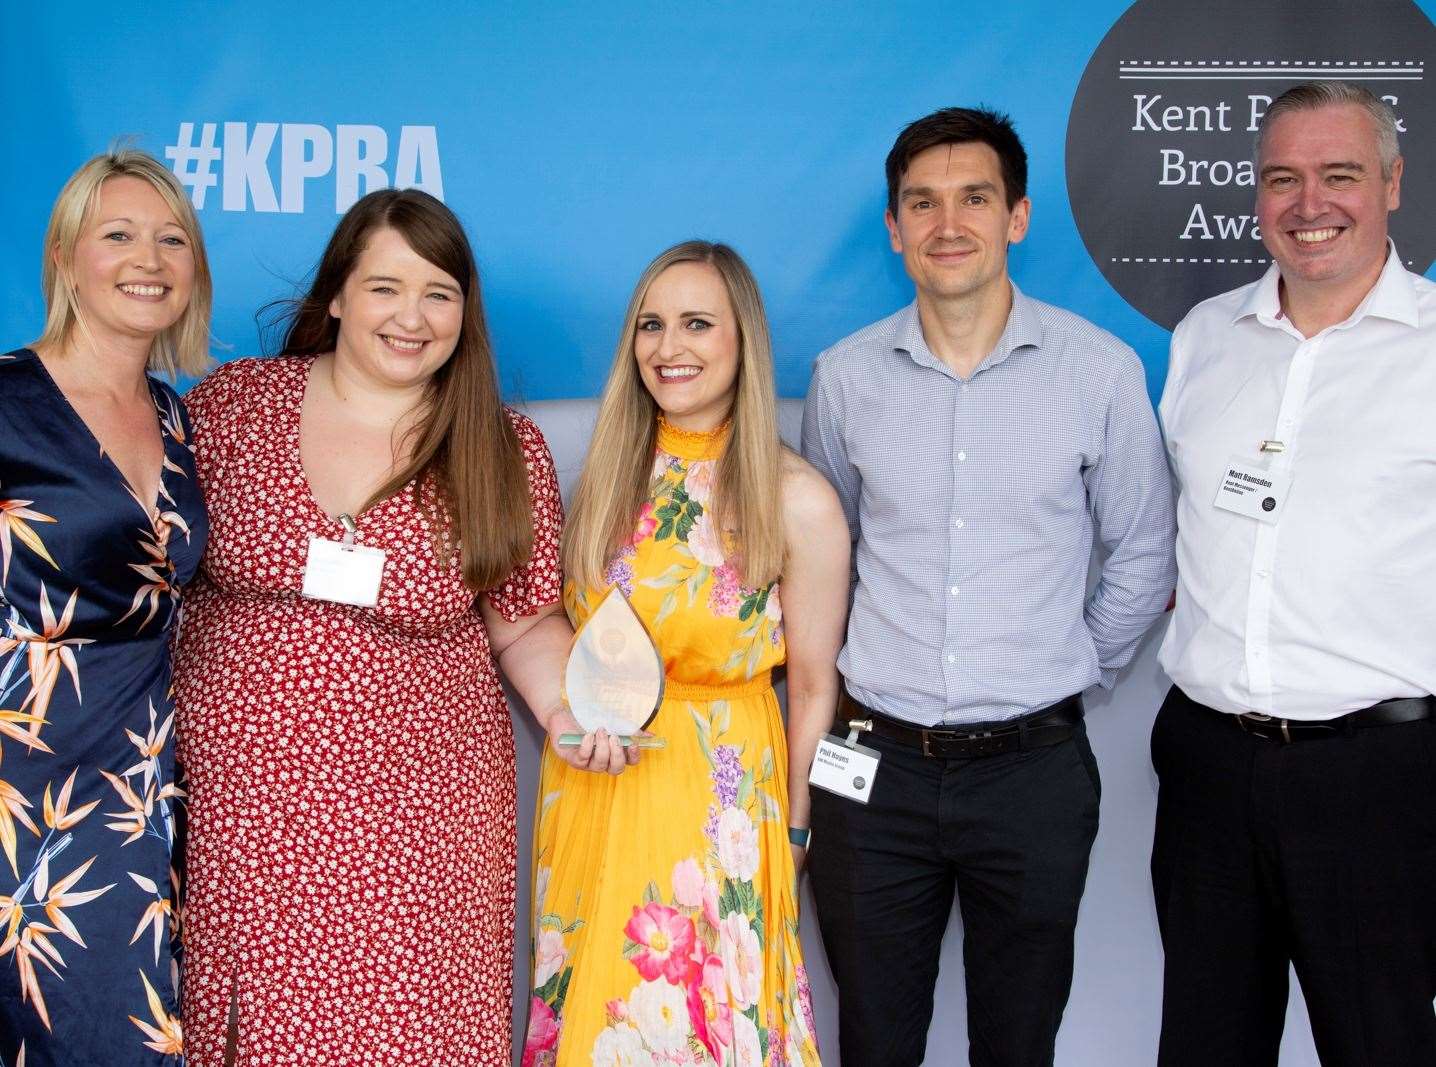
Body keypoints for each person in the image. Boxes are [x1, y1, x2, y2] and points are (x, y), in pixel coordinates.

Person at [800, 107, 1176, 1067]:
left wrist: (1070, 670)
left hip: (1032, 773)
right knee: (875, 1040)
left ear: (1017, 217)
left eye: (974, 198)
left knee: (1019, 1039)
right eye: (922, 203)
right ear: (894, 227)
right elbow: (825, 555)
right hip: (872, 768)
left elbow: (1143, 553)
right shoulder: (844, 380)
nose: (947, 223)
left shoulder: (1098, 373)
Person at [171, 189, 571, 1065]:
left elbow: (528, 624)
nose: (413, 316)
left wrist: (577, 717)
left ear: (465, 313)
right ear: (340, 295)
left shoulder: (500, 447)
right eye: (386, 287)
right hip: (245, 822)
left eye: (439, 292)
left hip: (421, 831)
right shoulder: (233, 408)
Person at [1153, 80, 1436, 1067]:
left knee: (1382, 1043)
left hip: (1378, 774)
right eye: (1281, 178)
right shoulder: (1201, 339)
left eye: (1338, 175)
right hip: (1205, 765)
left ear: (1392, 184)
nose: (1307, 203)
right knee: (1203, 1043)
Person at [522, 241, 847, 1066]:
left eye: (698, 323)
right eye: (651, 325)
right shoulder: (605, 480)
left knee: (710, 1020)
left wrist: (797, 839)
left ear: (744, 340)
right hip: (595, 792)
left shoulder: (796, 497)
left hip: (721, 802)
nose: (670, 348)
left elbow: (811, 685)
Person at [0, 149, 210, 1066]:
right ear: (64, 256)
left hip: (137, 783)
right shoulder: (4, 400)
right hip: (19, 777)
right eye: (118, 234)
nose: (149, 259)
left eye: (172, 239)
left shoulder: (177, 418)